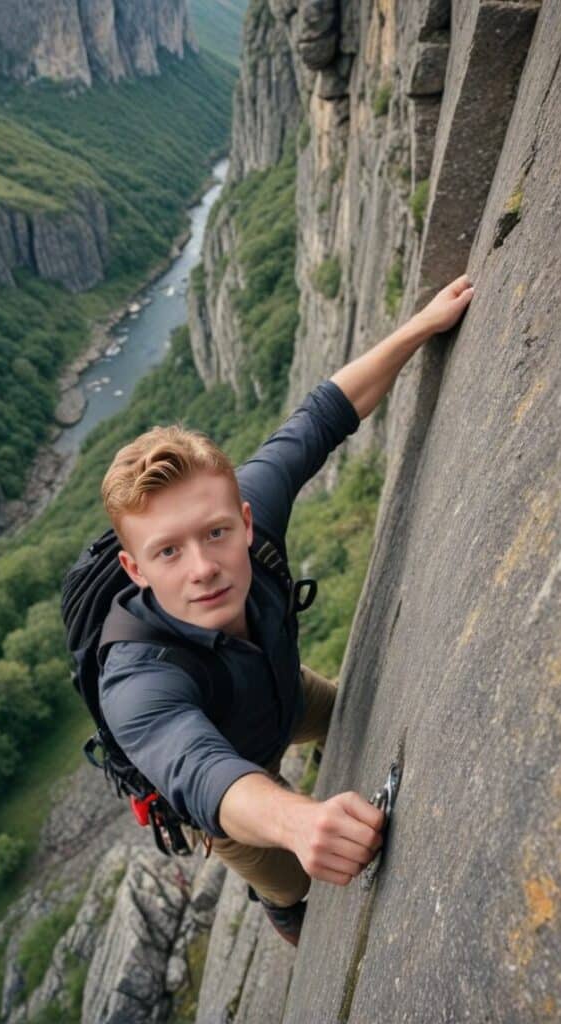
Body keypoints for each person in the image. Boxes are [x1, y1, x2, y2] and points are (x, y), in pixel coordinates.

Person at [98, 274, 475, 945]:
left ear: (244, 520)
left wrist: (422, 326)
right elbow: (197, 768)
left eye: (215, 533)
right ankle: (279, 910)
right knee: (292, 883)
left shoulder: (254, 513)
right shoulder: (135, 676)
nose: (204, 566)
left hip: (283, 690)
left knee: (360, 711)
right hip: (227, 799)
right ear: (135, 570)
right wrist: (298, 822)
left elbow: (325, 413)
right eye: (168, 553)